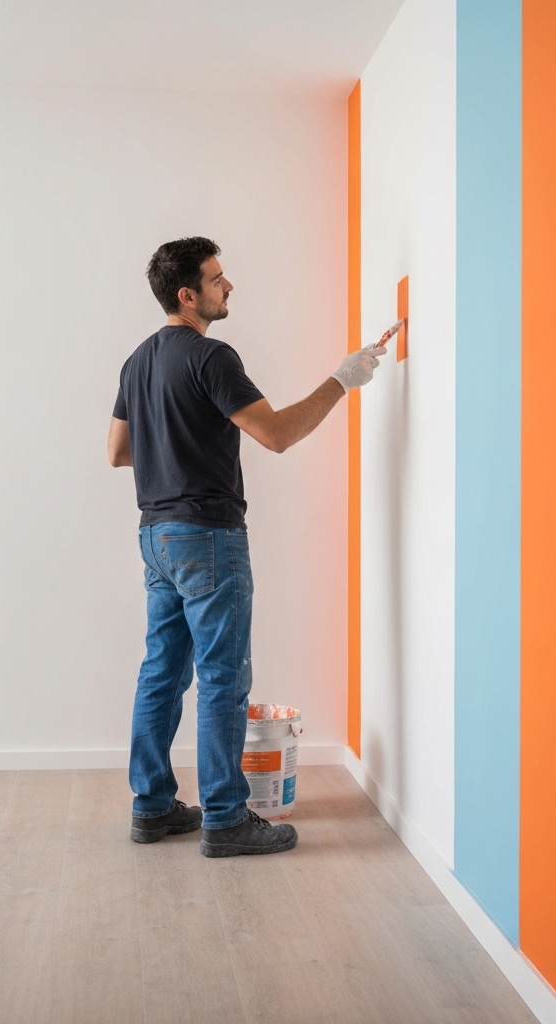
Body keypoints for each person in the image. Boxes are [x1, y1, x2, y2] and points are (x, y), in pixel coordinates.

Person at [107, 236, 386, 857]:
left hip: (156, 537)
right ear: (188, 294)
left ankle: (151, 808)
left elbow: (118, 452)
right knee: (221, 678)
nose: (228, 287)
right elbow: (277, 435)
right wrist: (344, 379)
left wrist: (172, 450)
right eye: (217, 278)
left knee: (161, 673)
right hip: (208, 536)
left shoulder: (137, 362)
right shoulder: (211, 357)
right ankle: (226, 821)